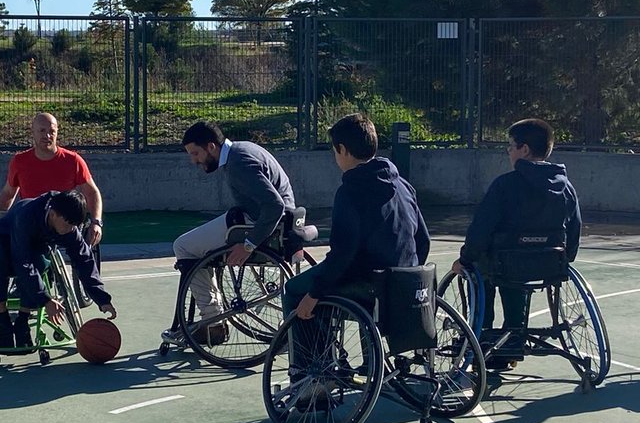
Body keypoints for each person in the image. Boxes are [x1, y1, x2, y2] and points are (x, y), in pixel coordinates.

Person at [283, 113, 430, 320]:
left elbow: (343, 252)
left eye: (335, 151)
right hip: (406, 283)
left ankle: (309, 351)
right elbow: (423, 241)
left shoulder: (350, 192)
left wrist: (314, 293)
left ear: (342, 150)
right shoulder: (404, 186)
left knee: (295, 289)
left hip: (368, 283)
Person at [163, 120, 297, 343]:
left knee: (183, 246)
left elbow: (274, 206)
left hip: (257, 225)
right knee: (200, 245)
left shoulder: (239, 163)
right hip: (272, 221)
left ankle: (213, 322)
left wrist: (249, 245)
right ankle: (212, 317)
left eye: (196, 153)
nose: (194, 160)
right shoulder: (243, 149)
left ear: (211, 147)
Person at [451, 117, 581, 345]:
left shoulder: (505, 185)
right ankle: (514, 338)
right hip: (550, 262)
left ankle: (480, 337)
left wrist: (465, 259)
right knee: (519, 264)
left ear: (525, 150)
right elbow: (575, 227)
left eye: (511, 146)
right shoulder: (565, 187)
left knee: (482, 267)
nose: (508, 152)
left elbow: (481, 229)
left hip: (505, 263)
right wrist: (565, 258)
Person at [0, 189, 117, 350]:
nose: (69, 229)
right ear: (53, 214)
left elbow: (84, 259)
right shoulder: (27, 216)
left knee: (39, 261)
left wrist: (102, 299)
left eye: (73, 226)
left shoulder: (69, 226)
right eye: (67, 224)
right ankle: (2, 319)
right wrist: (45, 300)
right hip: (2, 243)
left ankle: (22, 319)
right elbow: (22, 262)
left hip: (34, 250)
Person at [0, 112, 104, 247]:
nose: (47, 136)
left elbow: (92, 192)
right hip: (31, 224)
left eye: (52, 131)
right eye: (42, 131)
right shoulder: (19, 162)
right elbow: (8, 193)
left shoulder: (73, 161)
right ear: (33, 132)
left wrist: (96, 222)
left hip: (64, 225)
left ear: (57, 132)